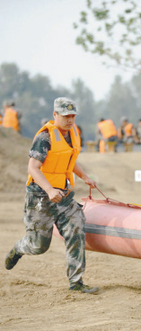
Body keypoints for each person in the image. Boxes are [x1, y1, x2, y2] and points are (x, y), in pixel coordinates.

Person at [4, 97, 99, 294]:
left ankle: (76, 282)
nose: (70, 120)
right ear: (55, 115)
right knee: (39, 246)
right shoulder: (45, 138)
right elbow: (33, 167)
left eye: (72, 116)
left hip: (62, 195)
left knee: (76, 227)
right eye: (65, 116)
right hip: (40, 196)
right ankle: (19, 248)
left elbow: (68, 160)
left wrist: (85, 177)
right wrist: (49, 190)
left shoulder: (72, 134)